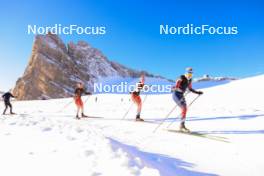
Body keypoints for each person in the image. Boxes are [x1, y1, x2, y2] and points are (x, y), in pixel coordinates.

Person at [172, 67, 203, 132]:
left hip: (181, 95)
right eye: (189, 72)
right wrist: (176, 88)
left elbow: (190, 88)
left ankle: (182, 125)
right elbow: (177, 84)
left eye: (191, 73)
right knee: (184, 108)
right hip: (176, 94)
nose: (190, 74)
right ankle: (182, 126)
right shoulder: (181, 77)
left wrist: (198, 92)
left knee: (185, 108)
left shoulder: (190, 80)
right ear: (186, 72)